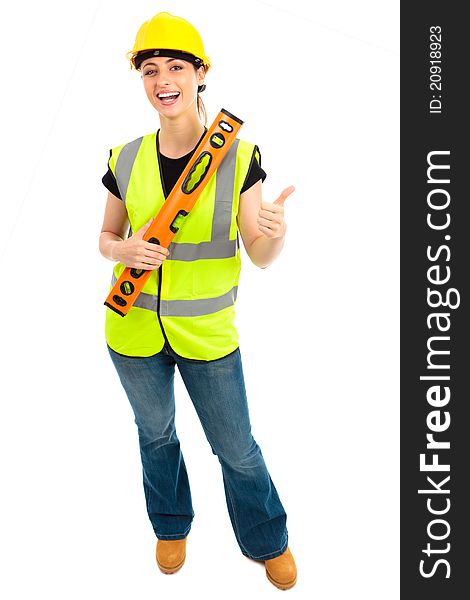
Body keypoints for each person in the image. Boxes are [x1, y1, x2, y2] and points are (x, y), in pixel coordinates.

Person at [99, 11, 297, 590]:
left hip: (208, 335)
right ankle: (170, 524)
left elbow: (260, 255)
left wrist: (275, 229)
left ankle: (266, 539)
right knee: (155, 435)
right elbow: (105, 239)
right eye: (151, 69)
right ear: (141, 79)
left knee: (236, 449)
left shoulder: (237, 155)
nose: (164, 79)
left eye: (177, 67)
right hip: (132, 332)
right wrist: (123, 250)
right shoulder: (124, 157)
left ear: (200, 73)